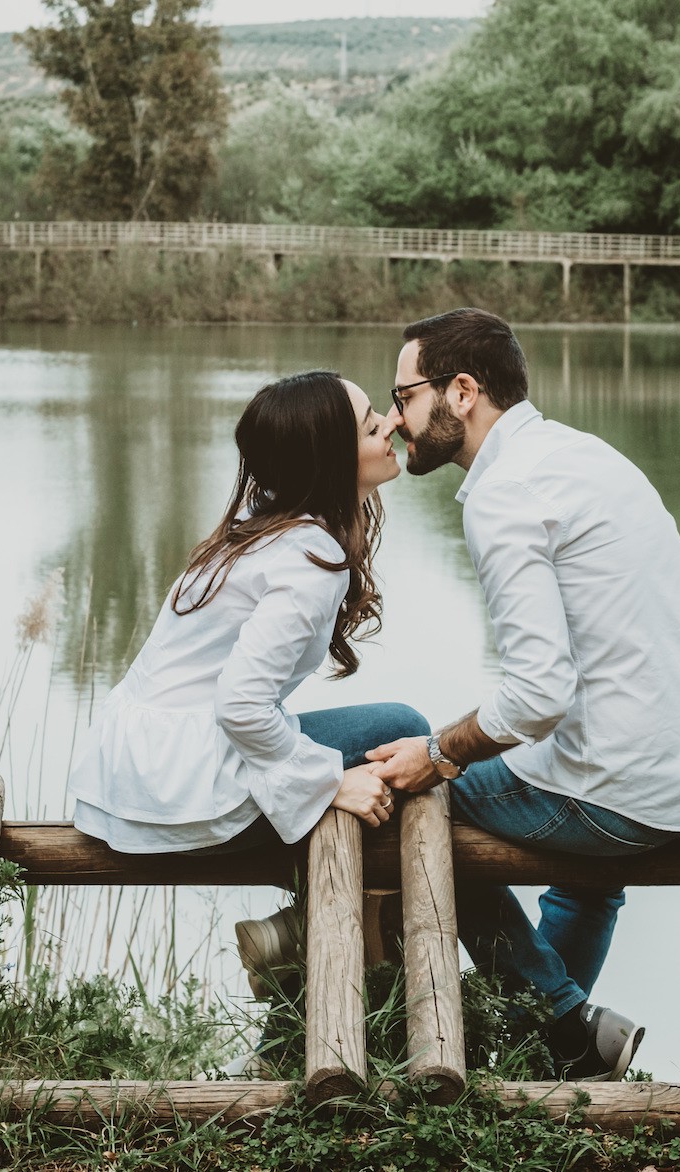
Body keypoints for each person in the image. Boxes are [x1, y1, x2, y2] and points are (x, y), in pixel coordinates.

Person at [368, 308, 680, 1082]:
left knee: (420, 802)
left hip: (626, 793)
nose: (398, 419)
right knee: (564, 846)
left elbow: (539, 693)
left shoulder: (504, 493)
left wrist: (438, 753)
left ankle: (560, 1024)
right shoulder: (579, 454)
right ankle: (552, 1063)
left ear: (462, 391)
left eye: (403, 395)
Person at [68, 369, 427, 997]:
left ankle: (299, 936)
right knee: (404, 737)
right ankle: (541, 1007)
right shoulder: (311, 559)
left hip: (136, 768)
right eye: (373, 423)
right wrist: (328, 781)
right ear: (330, 460)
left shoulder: (266, 524)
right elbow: (239, 705)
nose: (392, 422)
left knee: (393, 751)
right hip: (181, 779)